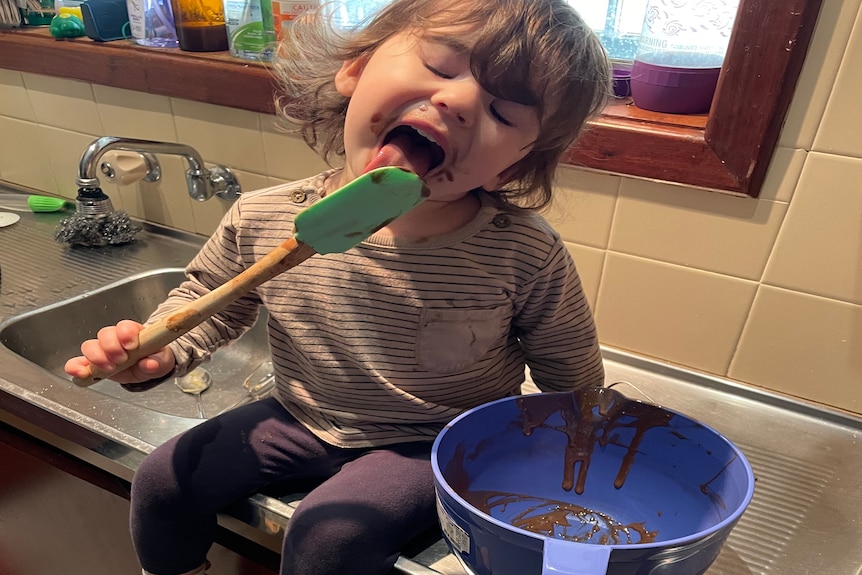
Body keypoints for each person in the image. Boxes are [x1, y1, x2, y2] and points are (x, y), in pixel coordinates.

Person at [64, 0, 610, 573]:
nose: (460, 100)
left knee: (330, 538)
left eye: (502, 112)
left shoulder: (521, 250)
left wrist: (574, 449)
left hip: (431, 439)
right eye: (443, 68)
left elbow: (567, 366)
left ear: (511, 169)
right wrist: (162, 350)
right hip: (299, 414)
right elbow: (210, 299)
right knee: (161, 482)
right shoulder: (264, 217)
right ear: (355, 67)